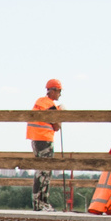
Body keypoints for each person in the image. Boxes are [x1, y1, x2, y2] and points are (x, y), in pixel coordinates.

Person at [27, 79, 63, 208]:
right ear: (53, 90)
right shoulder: (48, 104)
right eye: (59, 91)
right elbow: (57, 126)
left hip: (37, 139)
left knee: (42, 171)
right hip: (44, 139)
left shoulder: (40, 102)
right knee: (44, 172)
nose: (60, 95)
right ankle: (41, 203)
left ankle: (39, 203)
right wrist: (61, 113)